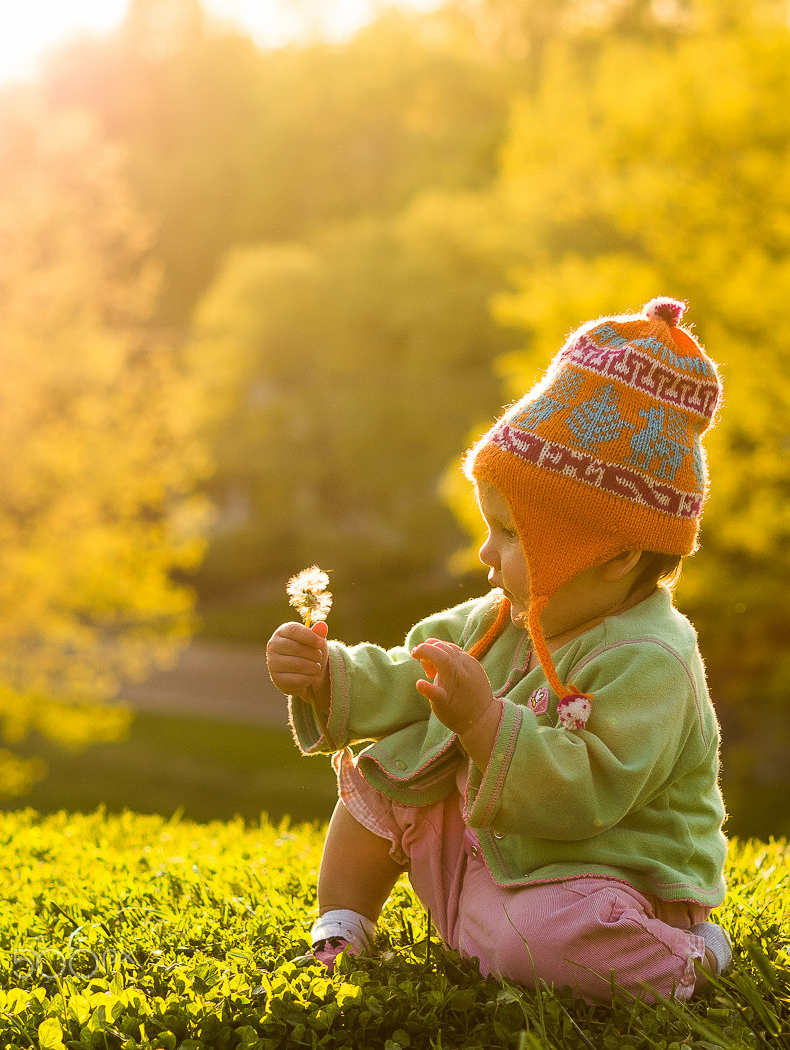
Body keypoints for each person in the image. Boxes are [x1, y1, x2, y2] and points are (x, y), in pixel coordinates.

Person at [266, 297, 731, 1003]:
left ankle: (689, 953)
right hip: (504, 850)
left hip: (598, 871)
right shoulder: (502, 614)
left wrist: (484, 725)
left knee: (546, 946)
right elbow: (411, 671)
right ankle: (343, 926)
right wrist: (329, 676)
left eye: (511, 536)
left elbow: (588, 794)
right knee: (382, 777)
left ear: (614, 554)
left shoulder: (649, 659)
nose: (486, 553)